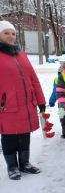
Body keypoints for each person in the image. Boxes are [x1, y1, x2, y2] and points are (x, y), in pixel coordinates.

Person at [0, 20, 46, 180]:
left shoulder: (21, 53)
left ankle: (25, 164)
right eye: (6, 33)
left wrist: (41, 101)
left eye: (13, 33)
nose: (11, 36)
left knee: (25, 135)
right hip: (6, 106)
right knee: (9, 137)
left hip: (27, 104)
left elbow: (34, 79)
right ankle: (12, 166)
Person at [49, 63, 65, 138]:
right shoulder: (57, 79)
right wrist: (52, 101)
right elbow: (55, 91)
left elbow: (54, 92)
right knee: (62, 117)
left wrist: (52, 101)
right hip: (62, 103)